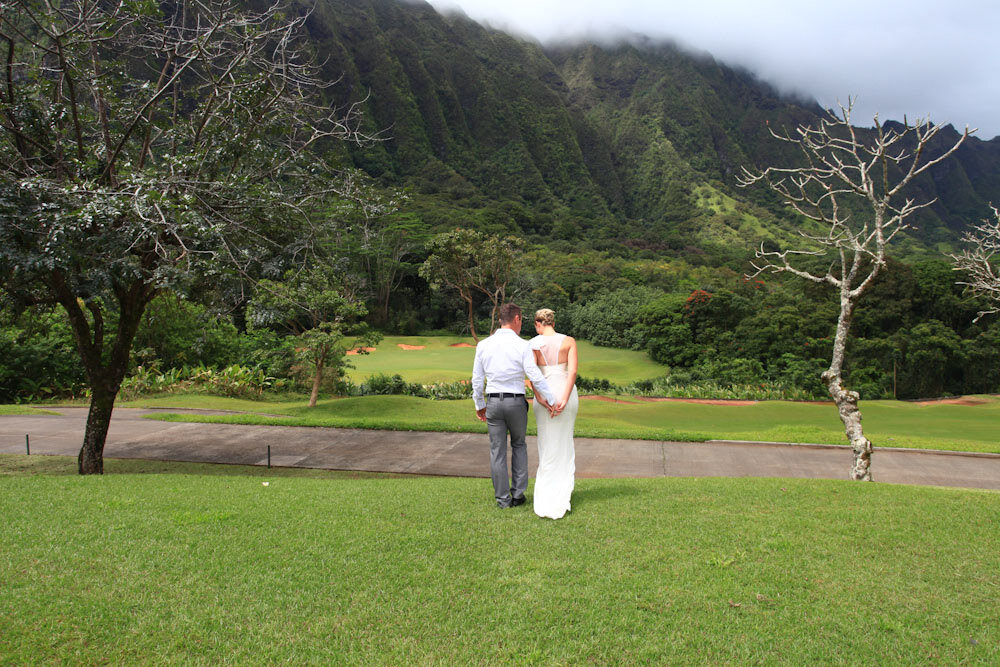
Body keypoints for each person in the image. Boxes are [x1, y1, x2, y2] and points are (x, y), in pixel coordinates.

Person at [472, 303, 561, 508]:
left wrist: (479, 404)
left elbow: (477, 379)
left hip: (493, 401)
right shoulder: (523, 345)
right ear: (517, 319)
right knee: (519, 444)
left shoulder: (483, 345)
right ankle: (518, 494)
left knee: (497, 450)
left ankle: (502, 499)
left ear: (500, 319)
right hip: (516, 403)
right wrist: (552, 399)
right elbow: (535, 376)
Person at [528, 308, 578, 520]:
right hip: (565, 394)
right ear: (553, 322)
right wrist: (565, 399)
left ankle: (546, 494)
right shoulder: (569, 341)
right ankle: (561, 491)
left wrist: (539, 398)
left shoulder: (532, 344)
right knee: (564, 442)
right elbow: (572, 372)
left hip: (544, 395)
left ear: (539, 323)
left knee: (546, 444)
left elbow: (530, 374)